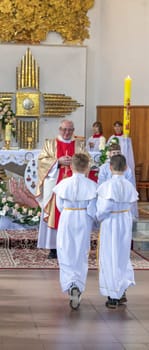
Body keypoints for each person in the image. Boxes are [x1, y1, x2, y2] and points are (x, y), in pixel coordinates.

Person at [36, 119, 86, 259]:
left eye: (70, 130)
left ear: (73, 130)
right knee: (54, 214)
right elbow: (41, 161)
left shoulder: (79, 145)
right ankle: (53, 248)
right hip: (54, 185)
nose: (67, 132)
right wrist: (57, 162)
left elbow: (87, 160)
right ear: (59, 129)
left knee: (70, 214)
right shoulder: (50, 143)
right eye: (64, 129)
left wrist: (75, 163)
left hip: (73, 187)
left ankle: (71, 246)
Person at [53, 153, 97, 310]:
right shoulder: (92, 185)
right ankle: (77, 284)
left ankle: (70, 283)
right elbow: (93, 209)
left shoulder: (64, 184)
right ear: (87, 168)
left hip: (67, 216)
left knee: (65, 251)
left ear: (70, 166)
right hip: (83, 218)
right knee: (81, 252)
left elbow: (59, 205)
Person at [96, 154, 138, 309]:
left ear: (110, 167)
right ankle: (121, 291)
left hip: (111, 222)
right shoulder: (129, 185)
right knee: (122, 256)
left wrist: (98, 217)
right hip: (125, 221)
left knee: (110, 256)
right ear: (126, 168)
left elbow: (103, 209)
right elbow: (132, 204)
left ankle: (113, 295)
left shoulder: (107, 186)